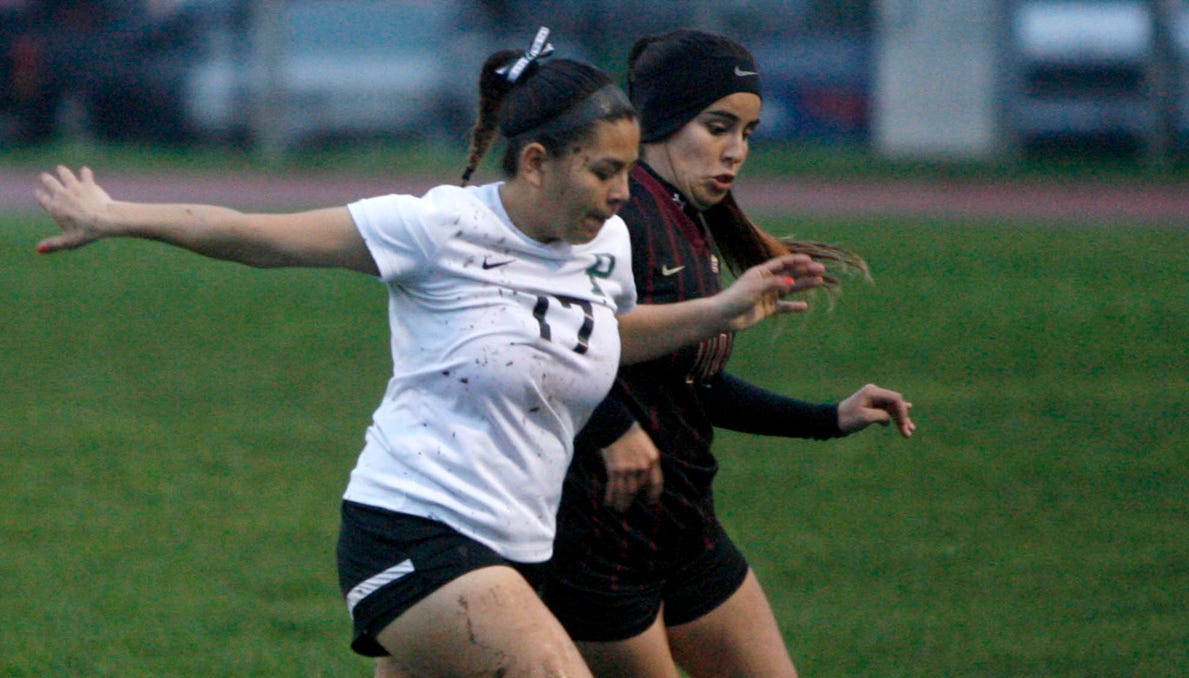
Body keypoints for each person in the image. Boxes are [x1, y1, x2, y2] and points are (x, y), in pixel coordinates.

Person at [34, 28, 831, 677]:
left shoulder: (607, 244)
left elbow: (599, 342)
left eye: (628, 171)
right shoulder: (438, 228)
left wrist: (719, 310)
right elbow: (256, 238)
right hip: (414, 535)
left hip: (521, 551)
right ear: (534, 162)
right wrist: (115, 215)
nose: (625, 193)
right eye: (605, 171)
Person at [540, 29, 918, 678]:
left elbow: (689, 383)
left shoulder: (689, 218)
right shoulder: (619, 220)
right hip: (606, 545)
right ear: (660, 120)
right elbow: (553, 351)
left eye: (746, 133)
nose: (736, 152)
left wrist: (828, 417)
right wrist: (615, 429)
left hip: (687, 528)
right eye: (718, 128)